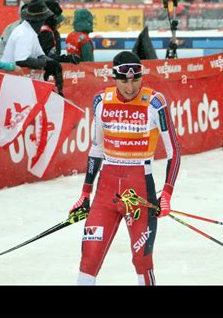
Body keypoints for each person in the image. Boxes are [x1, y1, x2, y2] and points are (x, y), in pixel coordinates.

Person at [69, 51, 181, 285]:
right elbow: (96, 149)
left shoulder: (155, 102)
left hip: (140, 192)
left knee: (142, 261)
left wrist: (167, 194)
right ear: (113, 78)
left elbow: (174, 152)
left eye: (135, 80)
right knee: (88, 260)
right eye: (124, 81)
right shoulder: (101, 101)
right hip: (105, 191)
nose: (130, 87)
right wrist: (85, 193)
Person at [1, 0, 63, 95]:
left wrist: (54, 64)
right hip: (11, 82)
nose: (43, 22)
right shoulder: (24, 33)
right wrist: (46, 64)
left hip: (18, 80)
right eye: (43, 19)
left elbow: (40, 55)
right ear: (38, 20)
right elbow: (22, 60)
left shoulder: (31, 31)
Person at [39, 0, 78, 64]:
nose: (59, 26)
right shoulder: (45, 32)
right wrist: (65, 59)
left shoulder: (51, 31)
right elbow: (45, 56)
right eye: (58, 23)